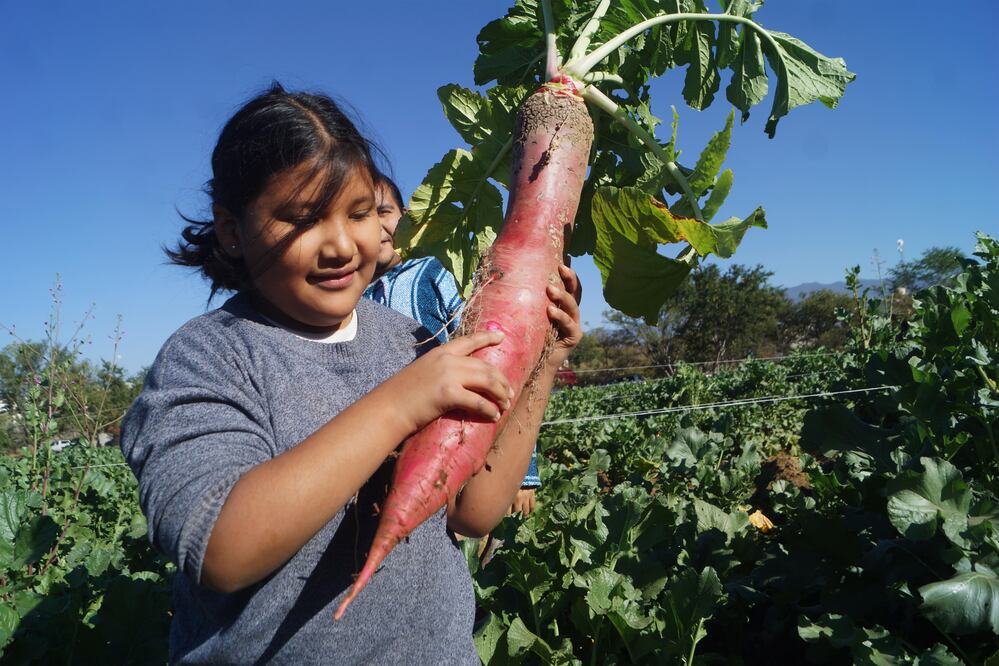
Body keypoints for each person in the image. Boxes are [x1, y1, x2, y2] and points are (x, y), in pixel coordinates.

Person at [120, 83, 581, 664]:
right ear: (233, 230)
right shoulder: (207, 358)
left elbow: (473, 509)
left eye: (360, 213)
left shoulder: (407, 339)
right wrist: (398, 406)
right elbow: (220, 550)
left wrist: (542, 364)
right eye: (303, 218)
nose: (341, 244)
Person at [364, 174, 541, 514]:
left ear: (405, 215)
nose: (376, 227)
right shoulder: (356, 297)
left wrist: (525, 474)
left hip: (457, 447)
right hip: (390, 467)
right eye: (360, 216)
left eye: (383, 212)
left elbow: (498, 362)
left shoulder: (434, 271)